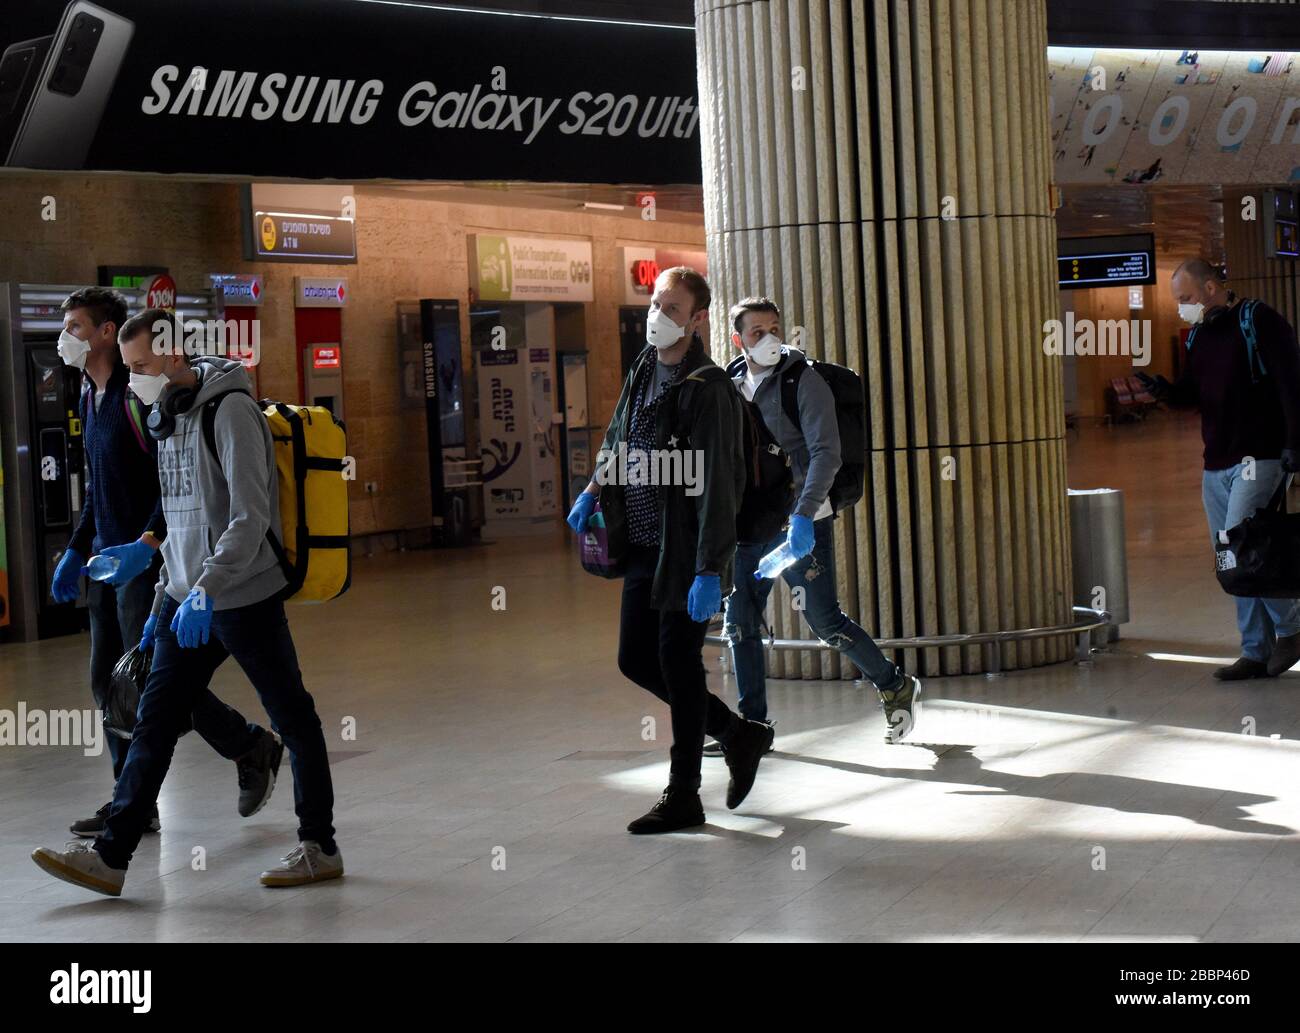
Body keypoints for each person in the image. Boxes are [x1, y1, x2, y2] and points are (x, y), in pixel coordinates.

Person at [32, 309, 341, 896]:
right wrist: (156, 596)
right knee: (153, 720)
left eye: (143, 365)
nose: (137, 378)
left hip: (241, 595)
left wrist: (208, 587)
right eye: (130, 368)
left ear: (175, 354)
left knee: (293, 716)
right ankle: (111, 857)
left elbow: (250, 520)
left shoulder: (232, 413)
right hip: (181, 598)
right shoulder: (166, 418)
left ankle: (319, 845)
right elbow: (178, 520)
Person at [50, 288, 280, 839]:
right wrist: (78, 548)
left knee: (154, 683)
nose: (68, 338)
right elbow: (96, 488)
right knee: (111, 680)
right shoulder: (91, 393)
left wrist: (146, 545)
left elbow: (176, 484)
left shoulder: (139, 400)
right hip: (107, 564)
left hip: (149, 566)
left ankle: (245, 747)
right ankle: (133, 795)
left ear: (108, 331)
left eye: (77, 327)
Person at [566, 267, 774, 834]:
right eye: (657, 303)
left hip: (685, 552)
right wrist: (593, 488)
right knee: (635, 658)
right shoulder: (643, 368)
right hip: (640, 544)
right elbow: (619, 433)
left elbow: (720, 485)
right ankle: (737, 733)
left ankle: (684, 792)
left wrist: (711, 568)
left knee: (679, 665)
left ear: (698, 317)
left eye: (674, 308)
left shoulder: (708, 388)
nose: (659, 315)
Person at [713, 297, 921, 749]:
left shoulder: (802, 381)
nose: (767, 338)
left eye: (773, 328)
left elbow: (827, 452)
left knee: (825, 621)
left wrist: (804, 515)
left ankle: (893, 683)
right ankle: (753, 729)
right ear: (737, 339)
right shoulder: (731, 384)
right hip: (751, 523)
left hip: (798, 522)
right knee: (740, 622)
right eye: (756, 332)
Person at [1140, 259, 1300, 680]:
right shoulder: (1198, 337)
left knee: (1240, 551)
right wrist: (1165, 392)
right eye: (1178, 301)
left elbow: (1291, 383)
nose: (1182, 308)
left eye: (1186, 298)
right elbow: (1192, 394)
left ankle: (1294, 626)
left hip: (1258, 457)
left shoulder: (1258, 320)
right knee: (1231, 561)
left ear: (1211, 288)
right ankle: (1255, 652)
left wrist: (1294, 443)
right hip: (1216, 462)